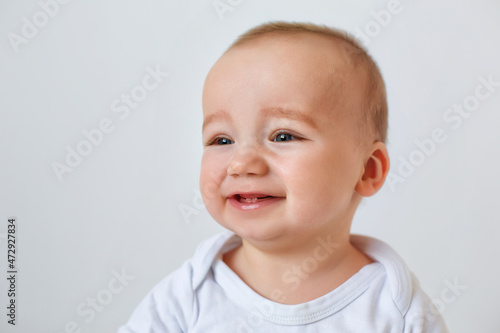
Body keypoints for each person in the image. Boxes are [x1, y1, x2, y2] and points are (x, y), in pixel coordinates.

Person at [118, 21, 448, 332]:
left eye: (283, 136)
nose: (241, 163)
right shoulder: (186, 298)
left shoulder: (396, 309)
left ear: (367, 170)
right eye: (222, 140)